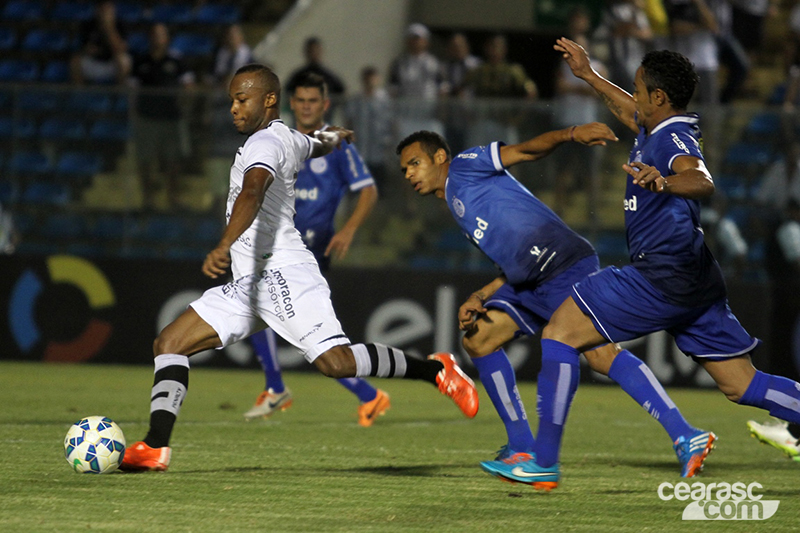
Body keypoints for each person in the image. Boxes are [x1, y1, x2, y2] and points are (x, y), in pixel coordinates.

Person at [119, 64, 477, 472]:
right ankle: (155, 446)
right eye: (232, 100)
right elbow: (311, 144)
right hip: (250, 282)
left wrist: (224, 243)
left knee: (337, 363)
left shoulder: (264, 144)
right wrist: (333, 137)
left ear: (269, 99)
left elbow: (253, 191)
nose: (234, 108)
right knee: (170, 343)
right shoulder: (285, 137)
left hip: (284, 272)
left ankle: (436, 370)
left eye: (242, 99)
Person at [489, 37, 800, 489]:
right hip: (695, 277)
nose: (632, 97)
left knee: (560, 333)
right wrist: (589, 76)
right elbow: (627, 111)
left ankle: (543, 463)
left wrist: (665, 183)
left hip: (661, 275)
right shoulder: (656, 127)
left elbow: (702, 179)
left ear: (658, 97)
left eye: (638, 89)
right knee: (742, 385)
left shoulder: (672, 139)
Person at [396, 124, 713, 489]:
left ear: (440, 157)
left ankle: (685, 434)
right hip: (530, 280)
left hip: (561, 264)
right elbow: (512, 258)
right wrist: (481, 295)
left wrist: (571, 134)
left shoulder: (465, 165)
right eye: (404, 170)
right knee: (479, 340)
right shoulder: (456, 198)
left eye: (414, 163)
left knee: (601, 355)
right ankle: (521, 447)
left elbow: (525, 150)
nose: (409, 174)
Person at [244, 73, 388, 427]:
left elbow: (368, 190)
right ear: (292, 103)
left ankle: (284, 388)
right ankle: (359, 394)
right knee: (261, 311)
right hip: (279, 246)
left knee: (297, 329)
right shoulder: (282, 140)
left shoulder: (336, 145)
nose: (306, 107)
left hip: (311, 250)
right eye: (301, 100)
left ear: (324, 105)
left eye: (313, 101)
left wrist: (349, 229)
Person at [130, 23, 194, 211]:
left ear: (167, 38)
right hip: (147, 118)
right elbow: (132, 89)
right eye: (154, 34)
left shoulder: (177, 61)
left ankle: (174, 198)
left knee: (174, 160)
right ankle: (148, 200)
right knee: (145, 160)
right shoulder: (141, 61)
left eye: (161, 35)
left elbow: (189, 86)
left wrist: (184, 104)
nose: (157, 38)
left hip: (172, 118)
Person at [70, 0, 131, 85]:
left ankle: (119, 91)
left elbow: (121, 48)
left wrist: (108, 28)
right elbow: (85, 48)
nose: (104, 12)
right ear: (96, 10)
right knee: (75, 61)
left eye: (107, 8)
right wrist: (91, 50)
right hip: (94, 63)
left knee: (124, 61)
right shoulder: (88, 24)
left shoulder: (120, 24)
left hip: (112, 63)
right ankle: (80, 91)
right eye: (101, 8)